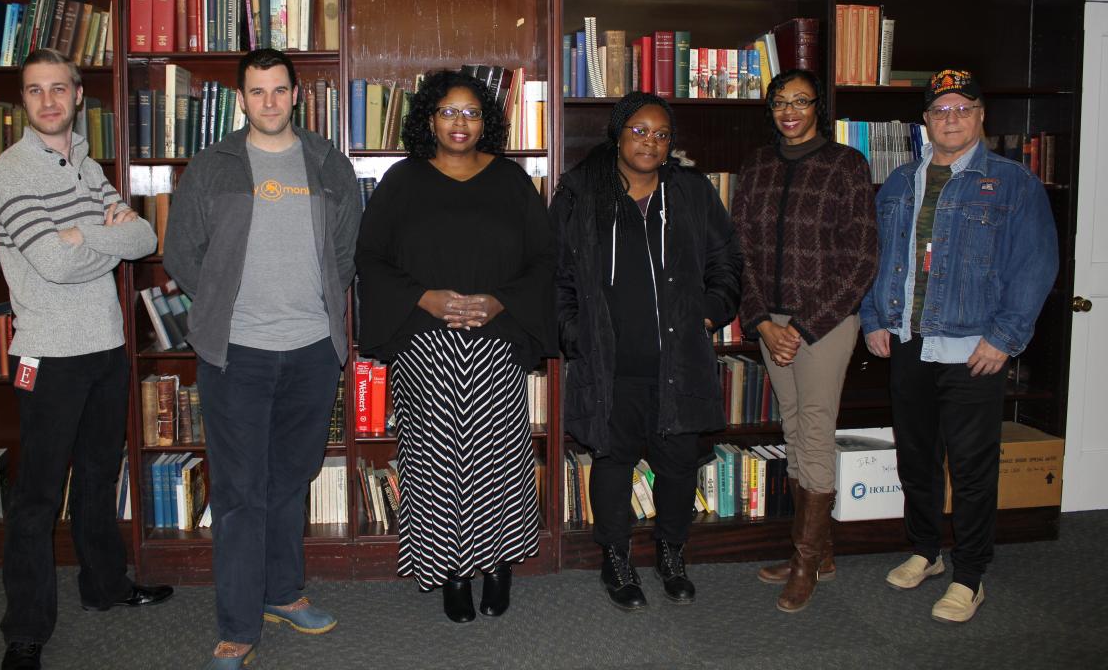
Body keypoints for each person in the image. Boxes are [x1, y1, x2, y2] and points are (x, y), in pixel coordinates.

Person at [164, 48, 361, 667]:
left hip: (310, 352)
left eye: (280, 90)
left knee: (289, 482)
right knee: (240, 492)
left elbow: (346, 253)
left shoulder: (329, 163)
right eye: (257, 91)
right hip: (237, 355)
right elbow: (180, 252)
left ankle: (282, 593)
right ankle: (238, 624)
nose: (269, 102)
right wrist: (223, 302)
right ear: (241, 98)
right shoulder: (213, 165)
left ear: (296, 95)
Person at [0, 48, 171, 670]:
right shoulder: (11, 173)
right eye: (35, 90)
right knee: (37, 497)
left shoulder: (88, 168)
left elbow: (144, 239)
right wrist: (104, 236)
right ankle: (26, 631)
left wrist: (86, 234)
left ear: (77, 97)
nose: (48, 100)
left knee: (99, 478)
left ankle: (105, 587)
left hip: (105, 347)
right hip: (50, 355)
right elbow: (53, 263)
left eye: (58, 89)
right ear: (24, 101)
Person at [355, 69, 555, 623]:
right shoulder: (401, 181)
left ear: (486, 119)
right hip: (426, 347)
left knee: (497, 461)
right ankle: (450, 571)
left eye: (470, 112)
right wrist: (425, 298)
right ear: (428, 119)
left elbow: (544, 259)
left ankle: (497, 564)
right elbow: (370, 258)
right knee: (436, 463)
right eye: (447, 112)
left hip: (496, 345)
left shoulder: (512, 182)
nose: (460, 123)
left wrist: (498, 301)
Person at [860, 69, 1058, 624]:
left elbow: (1036, 264)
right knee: (916, 459)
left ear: (980, 116)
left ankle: (970, 576)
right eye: (940, 110)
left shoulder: (1012, 182)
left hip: (974, 349)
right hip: (908, 340)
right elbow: (878, 256)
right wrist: (874, 316)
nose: (951, 119)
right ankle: (926, 550)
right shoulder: (900, 182)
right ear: (925, 121)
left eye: (962, 109)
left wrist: (1004, 337)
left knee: (972, 468)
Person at [551, 91, 742, 612]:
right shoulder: (579, 194)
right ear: (618, 133)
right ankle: (616, 560)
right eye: (639, 130)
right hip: (611, 369)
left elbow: (726, 261)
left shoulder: (692, 193)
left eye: (661, 134)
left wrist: (709, 311)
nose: (650, 142)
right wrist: (576, 335)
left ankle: (671, 554)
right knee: (612, 467)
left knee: (679, 468)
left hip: (679, 367)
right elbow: (558, 277)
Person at [730, 69, 878, 612]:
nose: (789, 111)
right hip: (771, 322)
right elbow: (737, 252)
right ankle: (824, 551)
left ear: (820, 107)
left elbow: (862, 260)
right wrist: (761, 321)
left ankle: (805, 561)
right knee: (794, 432)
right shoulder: (758, 166)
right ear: (769, 110)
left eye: (801, 101)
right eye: (779, 102)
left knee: (814, 433)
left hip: (827, 322)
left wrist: (802, 327)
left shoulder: (846, 165)